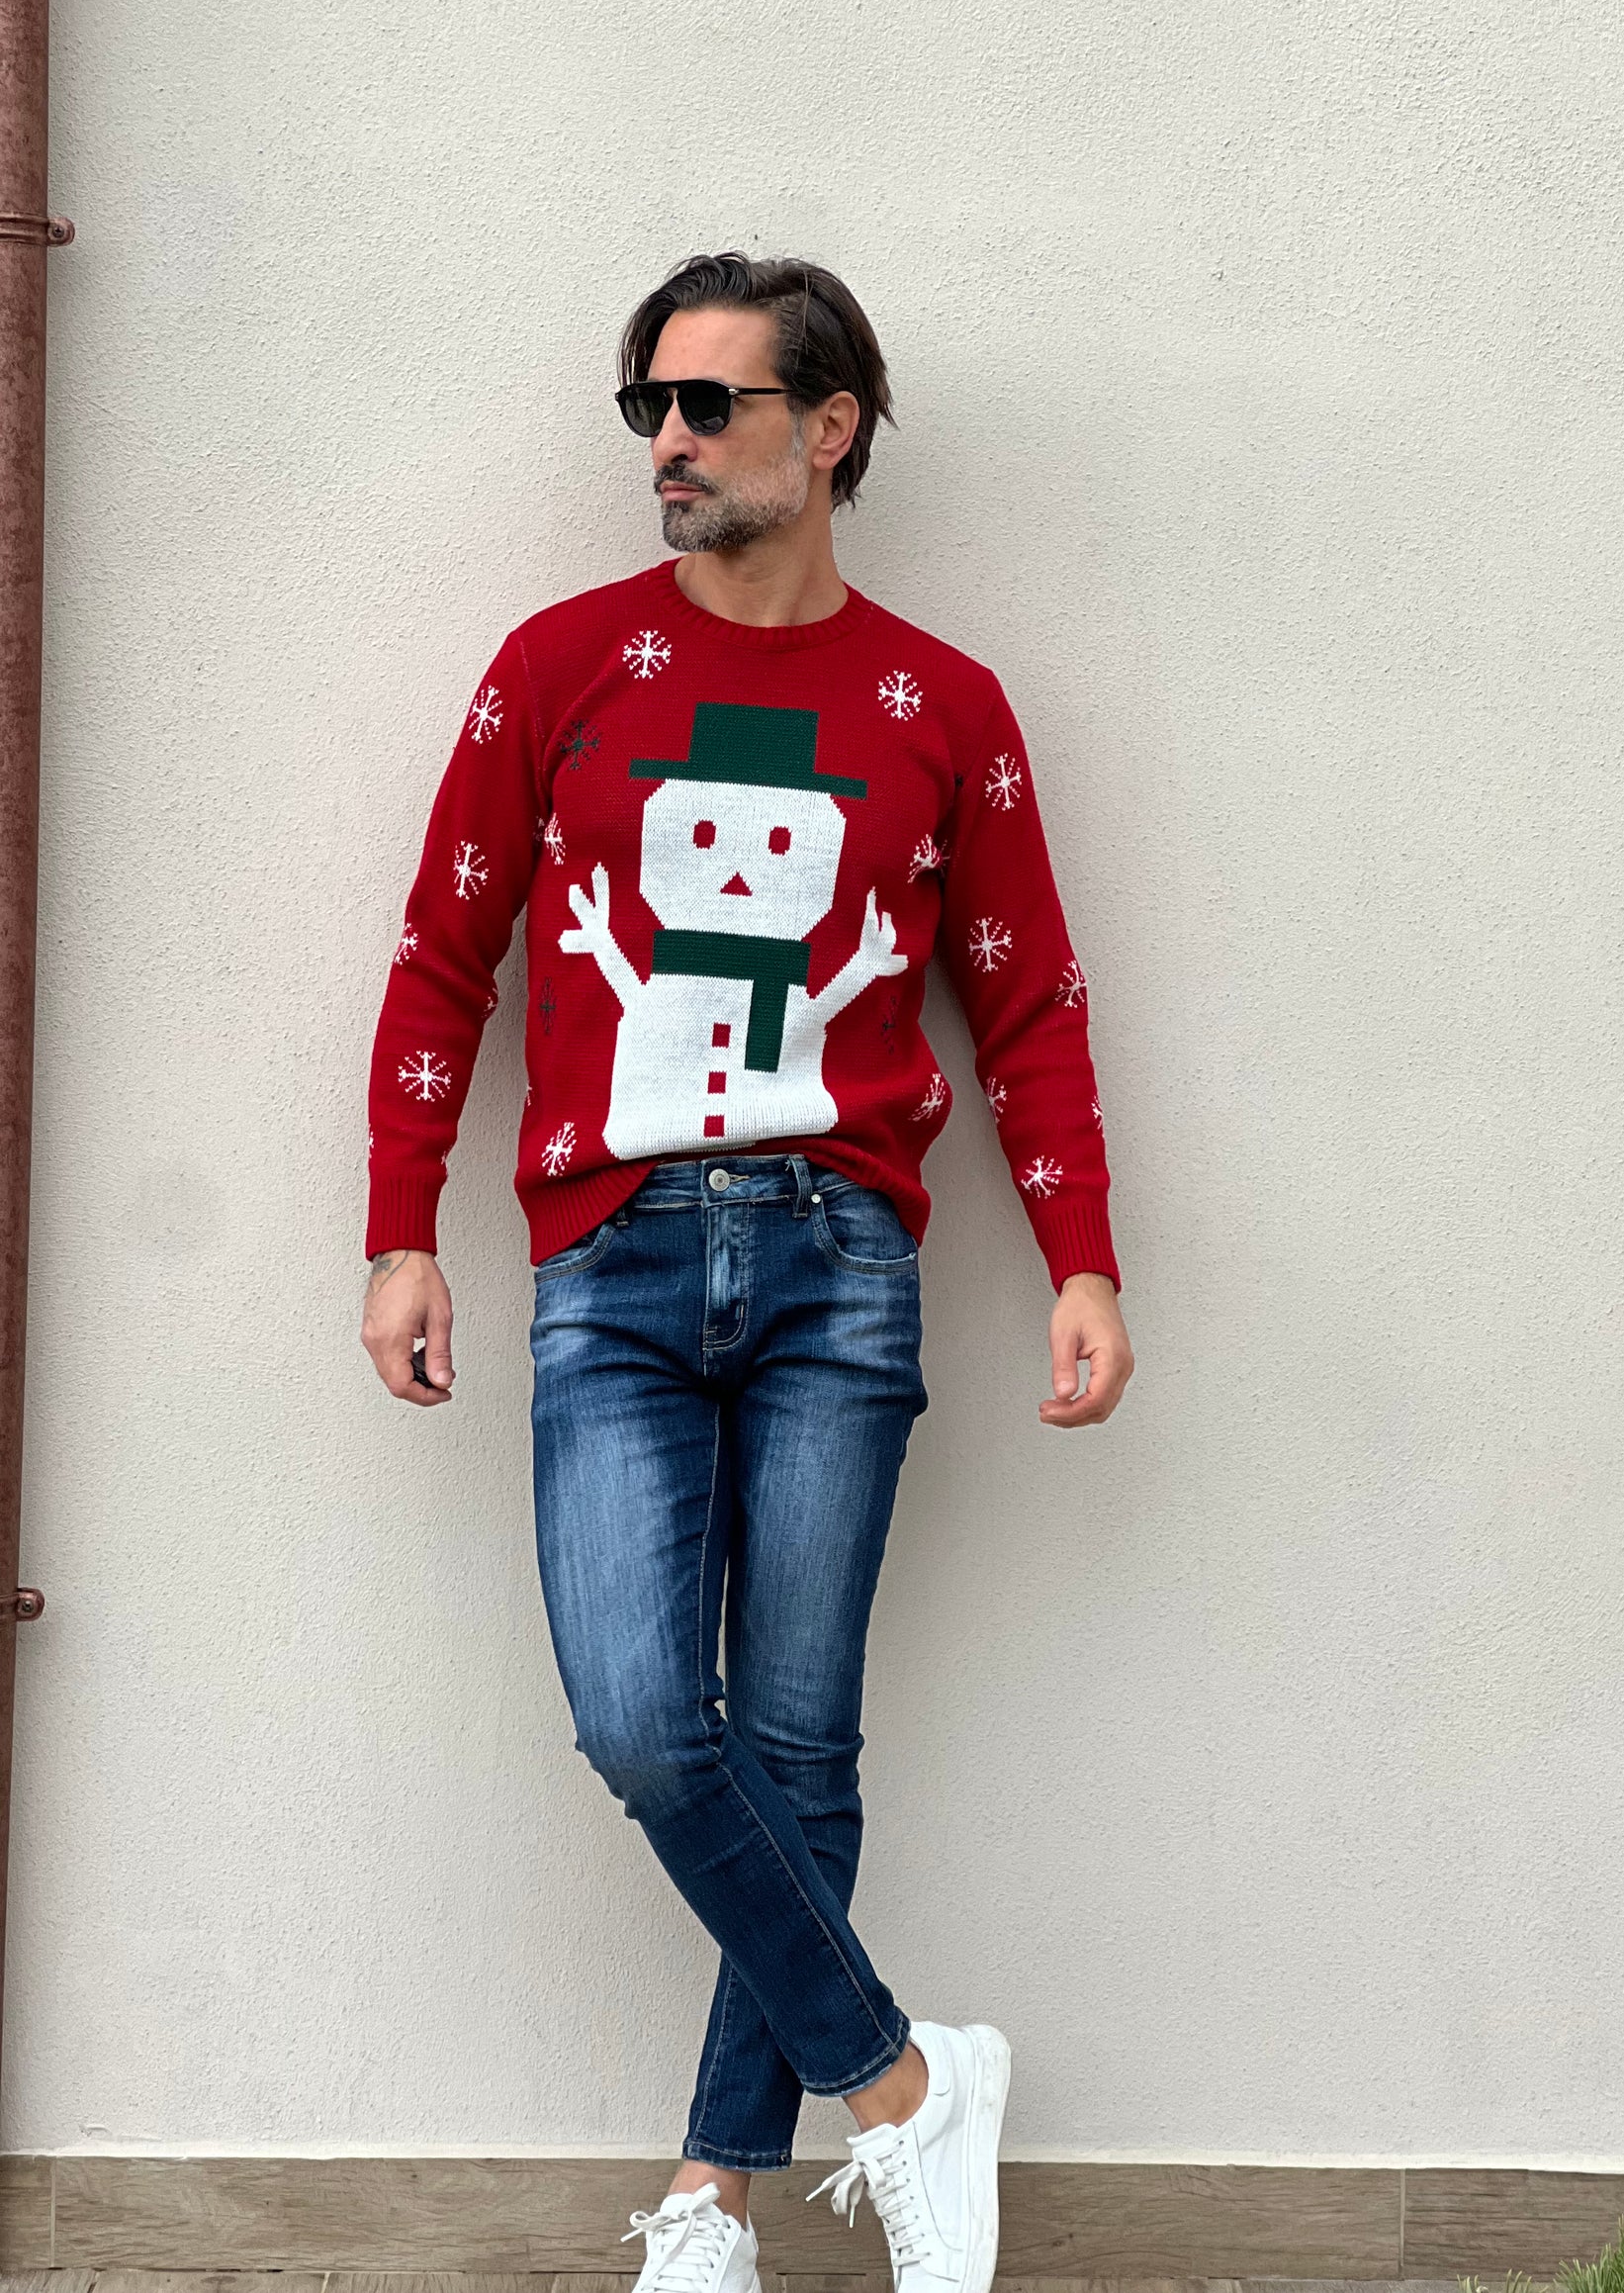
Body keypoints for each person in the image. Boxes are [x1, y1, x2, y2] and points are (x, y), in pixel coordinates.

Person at [358, 253, 1133, 2293]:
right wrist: (399, 1226)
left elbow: (1025, 999)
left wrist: (1080, 1258)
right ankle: (902, 2087)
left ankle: (712, 2204)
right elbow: (445, 954)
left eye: (709, 404)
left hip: (840, 1259)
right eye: (651, 409)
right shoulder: (558, 670)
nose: (670, 445)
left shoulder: (942, 707)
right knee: (643, 1719)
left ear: (832, 425)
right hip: (609, 1253)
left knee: (797, 1747)